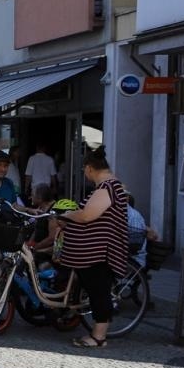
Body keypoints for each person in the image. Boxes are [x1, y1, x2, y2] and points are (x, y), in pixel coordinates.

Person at [57, 146, 131, 349]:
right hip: (94, 252)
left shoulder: (107, 188)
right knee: (96, 289)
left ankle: (98, 337)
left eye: (84, 170)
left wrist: (67, 215)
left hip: (98, 253)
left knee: (98, 291)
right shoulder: (110, 187)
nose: (85, 174)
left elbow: (87, 216)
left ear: (89, 168)